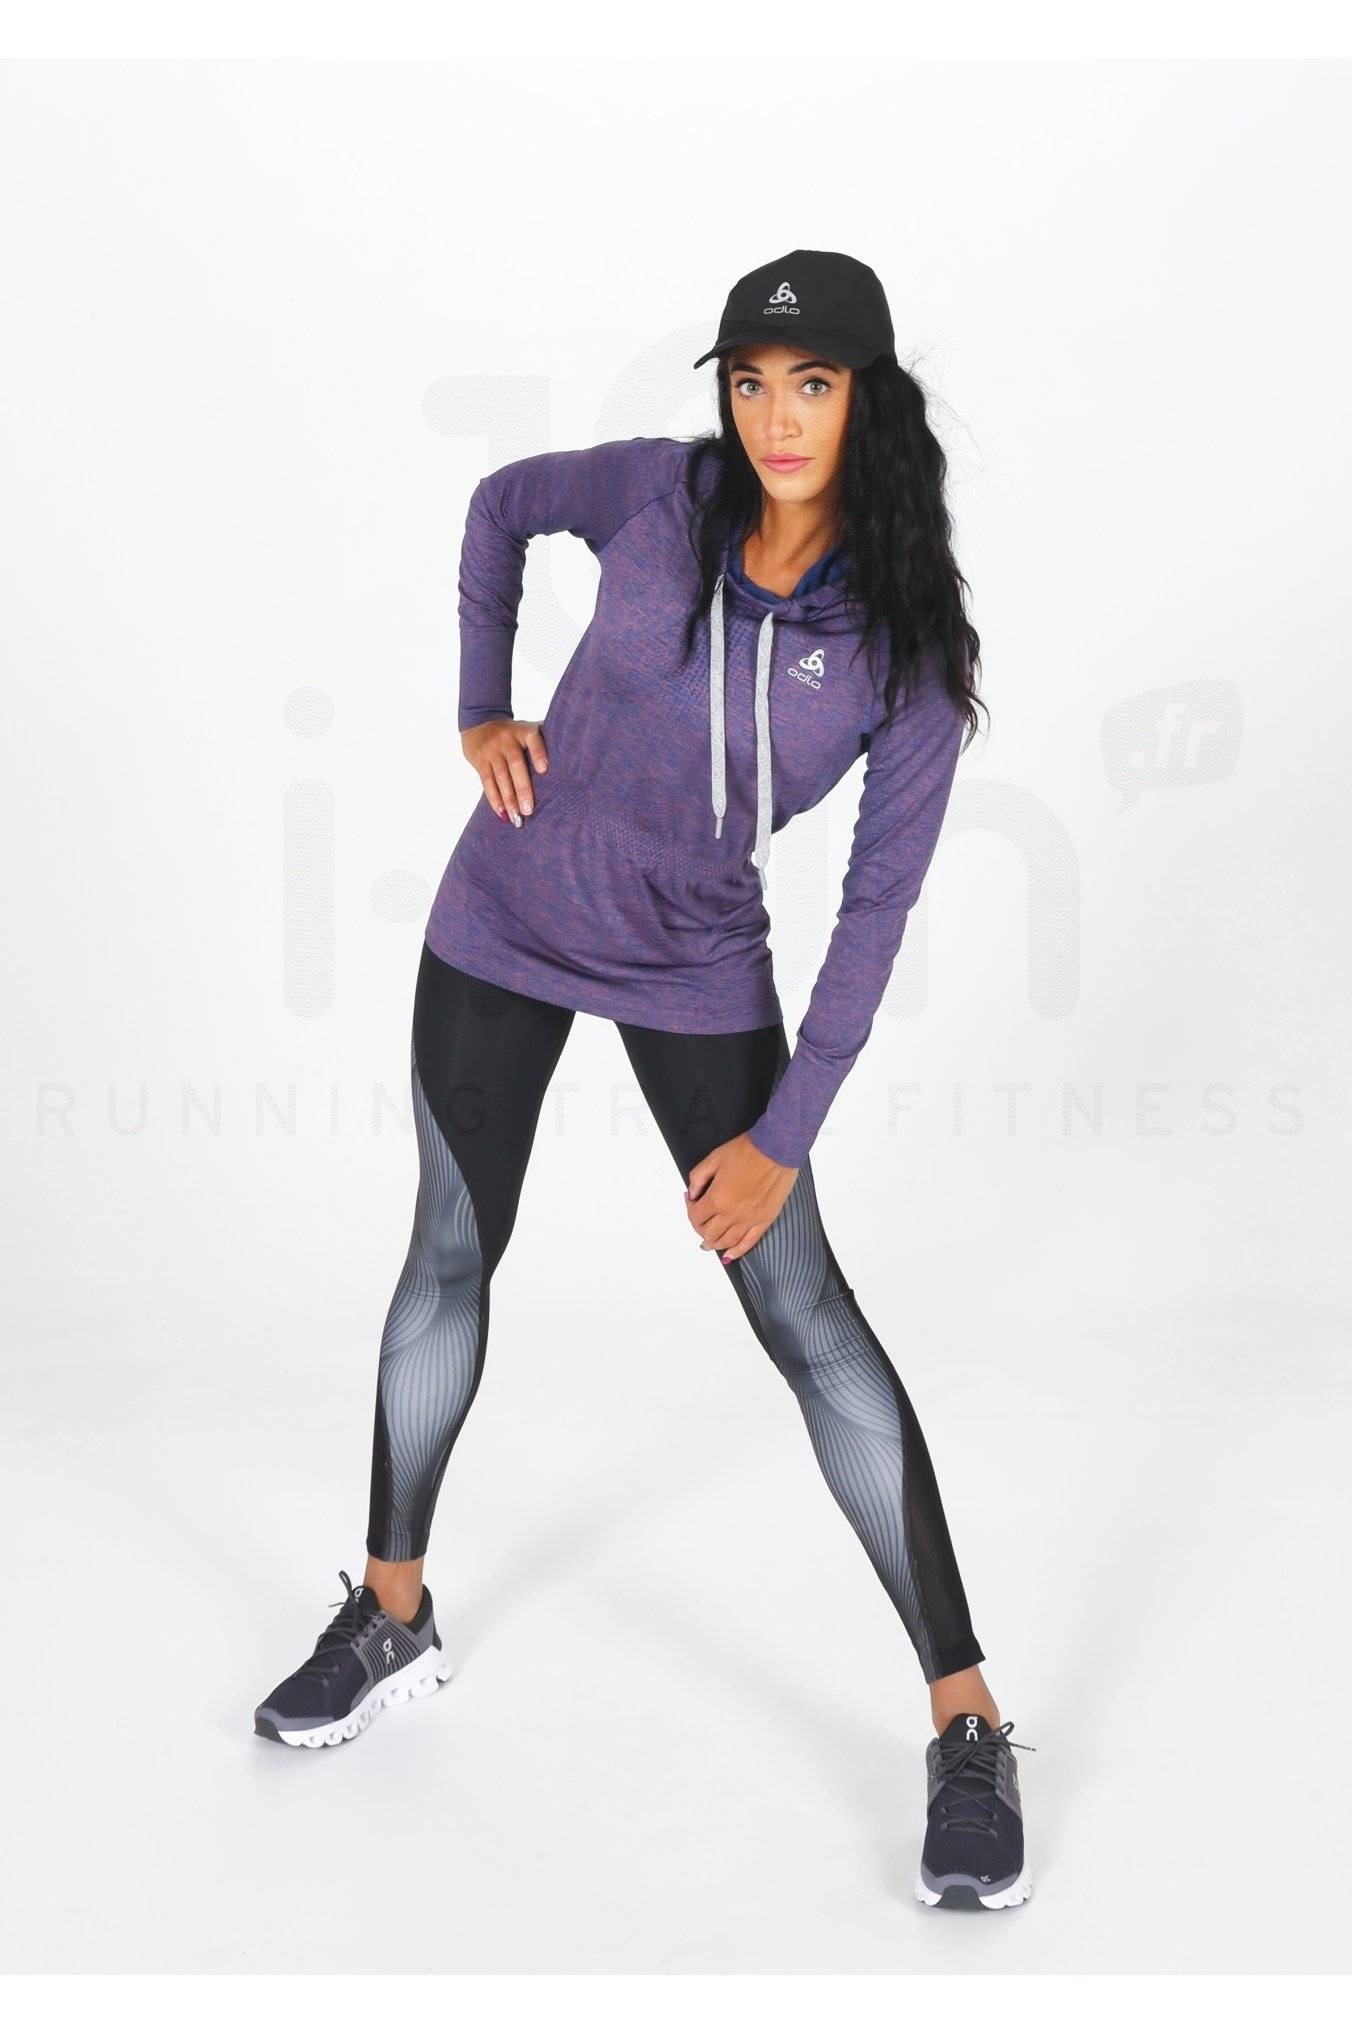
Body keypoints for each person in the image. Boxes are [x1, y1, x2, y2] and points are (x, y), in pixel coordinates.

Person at [253, 249, 1033, 1911]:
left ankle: (966, 1717)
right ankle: (392, 1611)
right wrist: (480, 711)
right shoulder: (661, 496)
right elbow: (497, 509)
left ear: (870, 399)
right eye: (750, 380)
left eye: (811, 383)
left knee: (804, 1311)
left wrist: (782, 1136)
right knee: (448, 1246)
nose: (775, 416)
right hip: (500, 918)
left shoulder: (903, 652)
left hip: (694, 967)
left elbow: (873, 921)